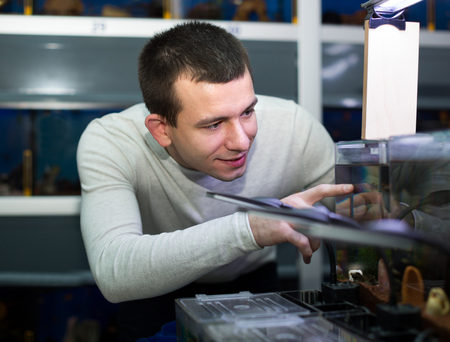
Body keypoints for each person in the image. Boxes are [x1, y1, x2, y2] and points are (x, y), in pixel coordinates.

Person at [76, 21, 353, 341]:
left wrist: (371, 210)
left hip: (253, 281)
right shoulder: (112, 141)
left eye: (248, 112)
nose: (241, 141)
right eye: (213, 124)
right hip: (154, 286)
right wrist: (250, 228)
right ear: (161, 130)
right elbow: (116, 272)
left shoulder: (294, 128)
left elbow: (349, 210)